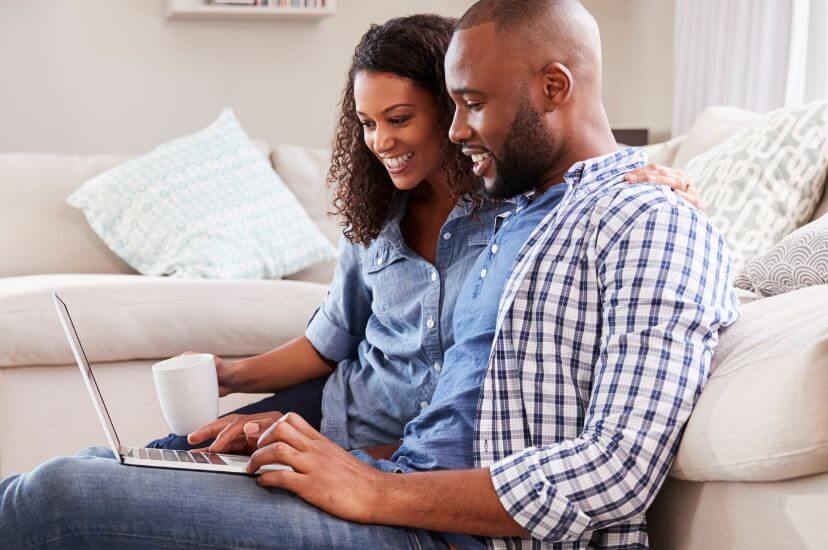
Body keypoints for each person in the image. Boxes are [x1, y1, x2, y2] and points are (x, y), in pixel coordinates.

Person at [0, 3, 735, 549]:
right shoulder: (515, 211)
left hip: (442, 528)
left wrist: (375, 487)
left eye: (469, 105)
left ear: (552, 87)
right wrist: (334, 456)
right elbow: (388, 375)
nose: (452, 131)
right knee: (95, 466)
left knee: (57, 499)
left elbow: (616, 472)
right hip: (392, 493)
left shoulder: (647, 218)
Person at [148, 13, 697, 458]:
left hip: (417, 453)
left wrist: (661, 183)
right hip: (339, 411)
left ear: (449, 106)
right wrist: (228, 375)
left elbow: (590, 180)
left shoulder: (519, 202)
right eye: (366, 123)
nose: (380, 141)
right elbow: (329, 342)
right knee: (167, 454)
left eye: (399, 118)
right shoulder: (376, 217)